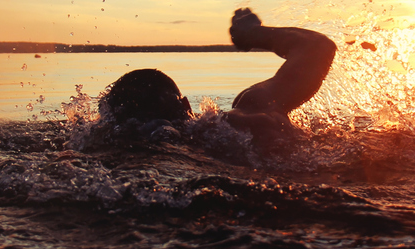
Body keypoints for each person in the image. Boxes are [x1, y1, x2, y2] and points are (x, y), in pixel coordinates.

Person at [99, 8, 337, 146]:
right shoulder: (234, 120)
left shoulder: (108, 146)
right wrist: (251, 34)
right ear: (185, 105)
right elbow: (318, 47)